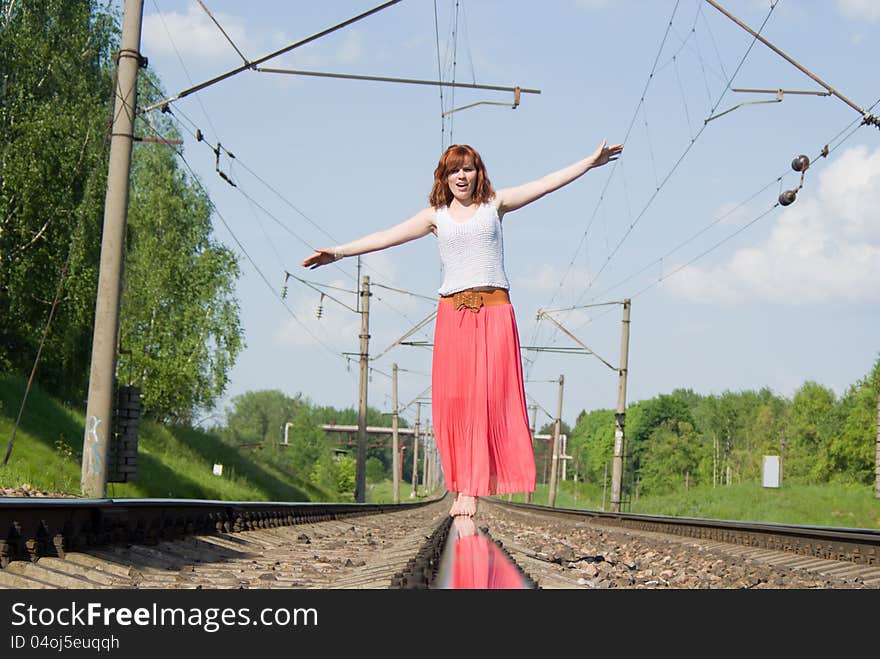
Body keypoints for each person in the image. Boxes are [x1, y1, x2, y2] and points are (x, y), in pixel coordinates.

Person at [302, 139, 623, 517]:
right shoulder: (435, 216)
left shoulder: (495, 204)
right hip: (453, 315)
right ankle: (462, 487)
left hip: (495, 312)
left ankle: (472, 490)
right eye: (454, 170)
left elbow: (546, 184)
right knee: (455, 401)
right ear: (444, 176)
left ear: (478, 173)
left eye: (467, 169)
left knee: (492, 398)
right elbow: (385, 236)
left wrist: (589, 161)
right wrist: (337, 253)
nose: (461, 176)